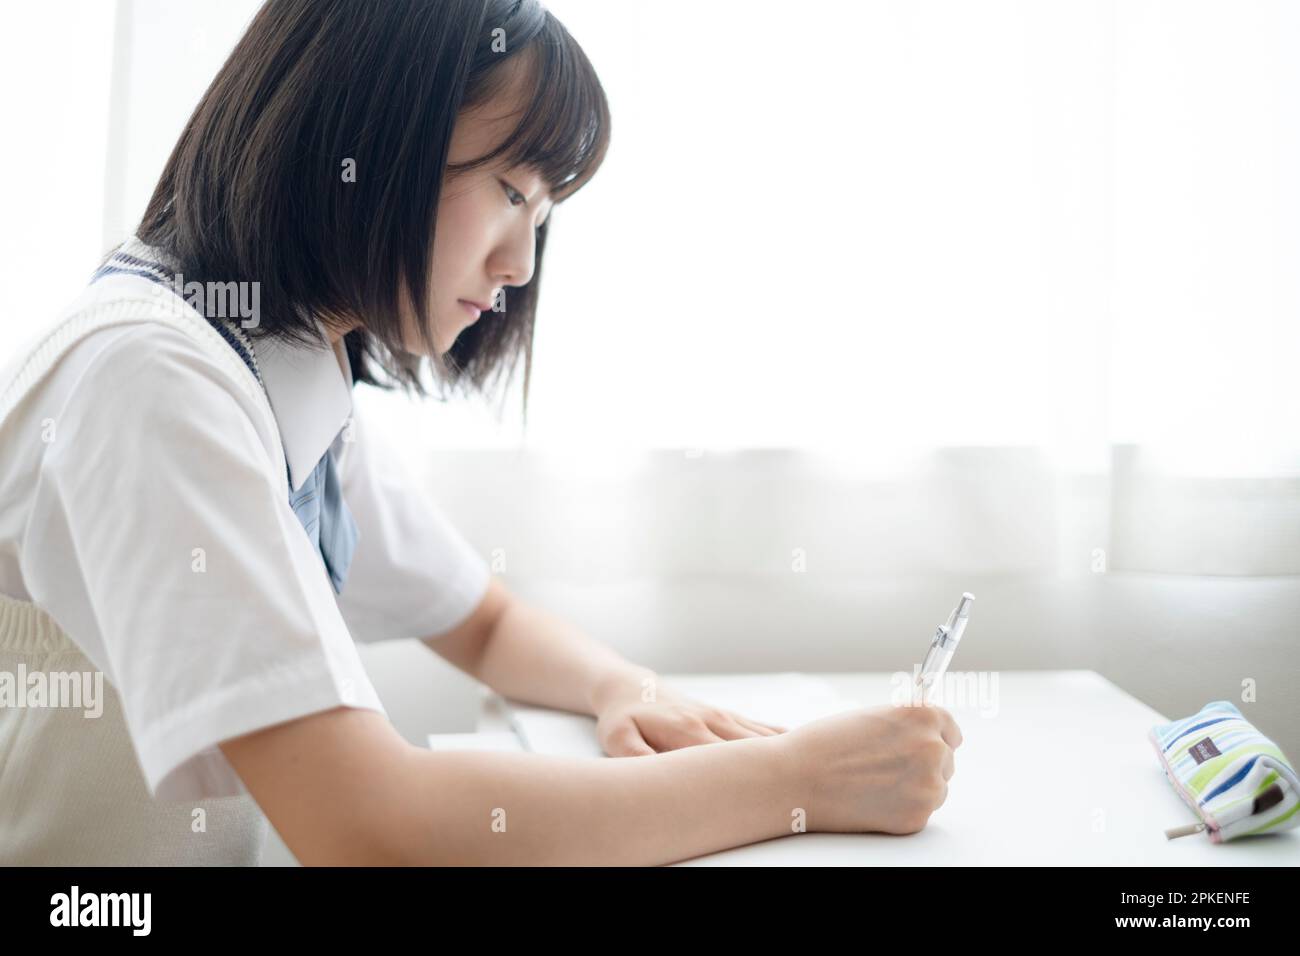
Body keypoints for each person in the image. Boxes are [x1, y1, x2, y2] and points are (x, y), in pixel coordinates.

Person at [0, 0, 960, 866]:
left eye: (542, 216)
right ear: (364, 132)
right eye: (509, 191)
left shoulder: (282, 364)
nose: (521, 266)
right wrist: (797, 784)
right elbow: (365, 822)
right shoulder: (153, 379)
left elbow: (482, 620)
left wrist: (624, 687)